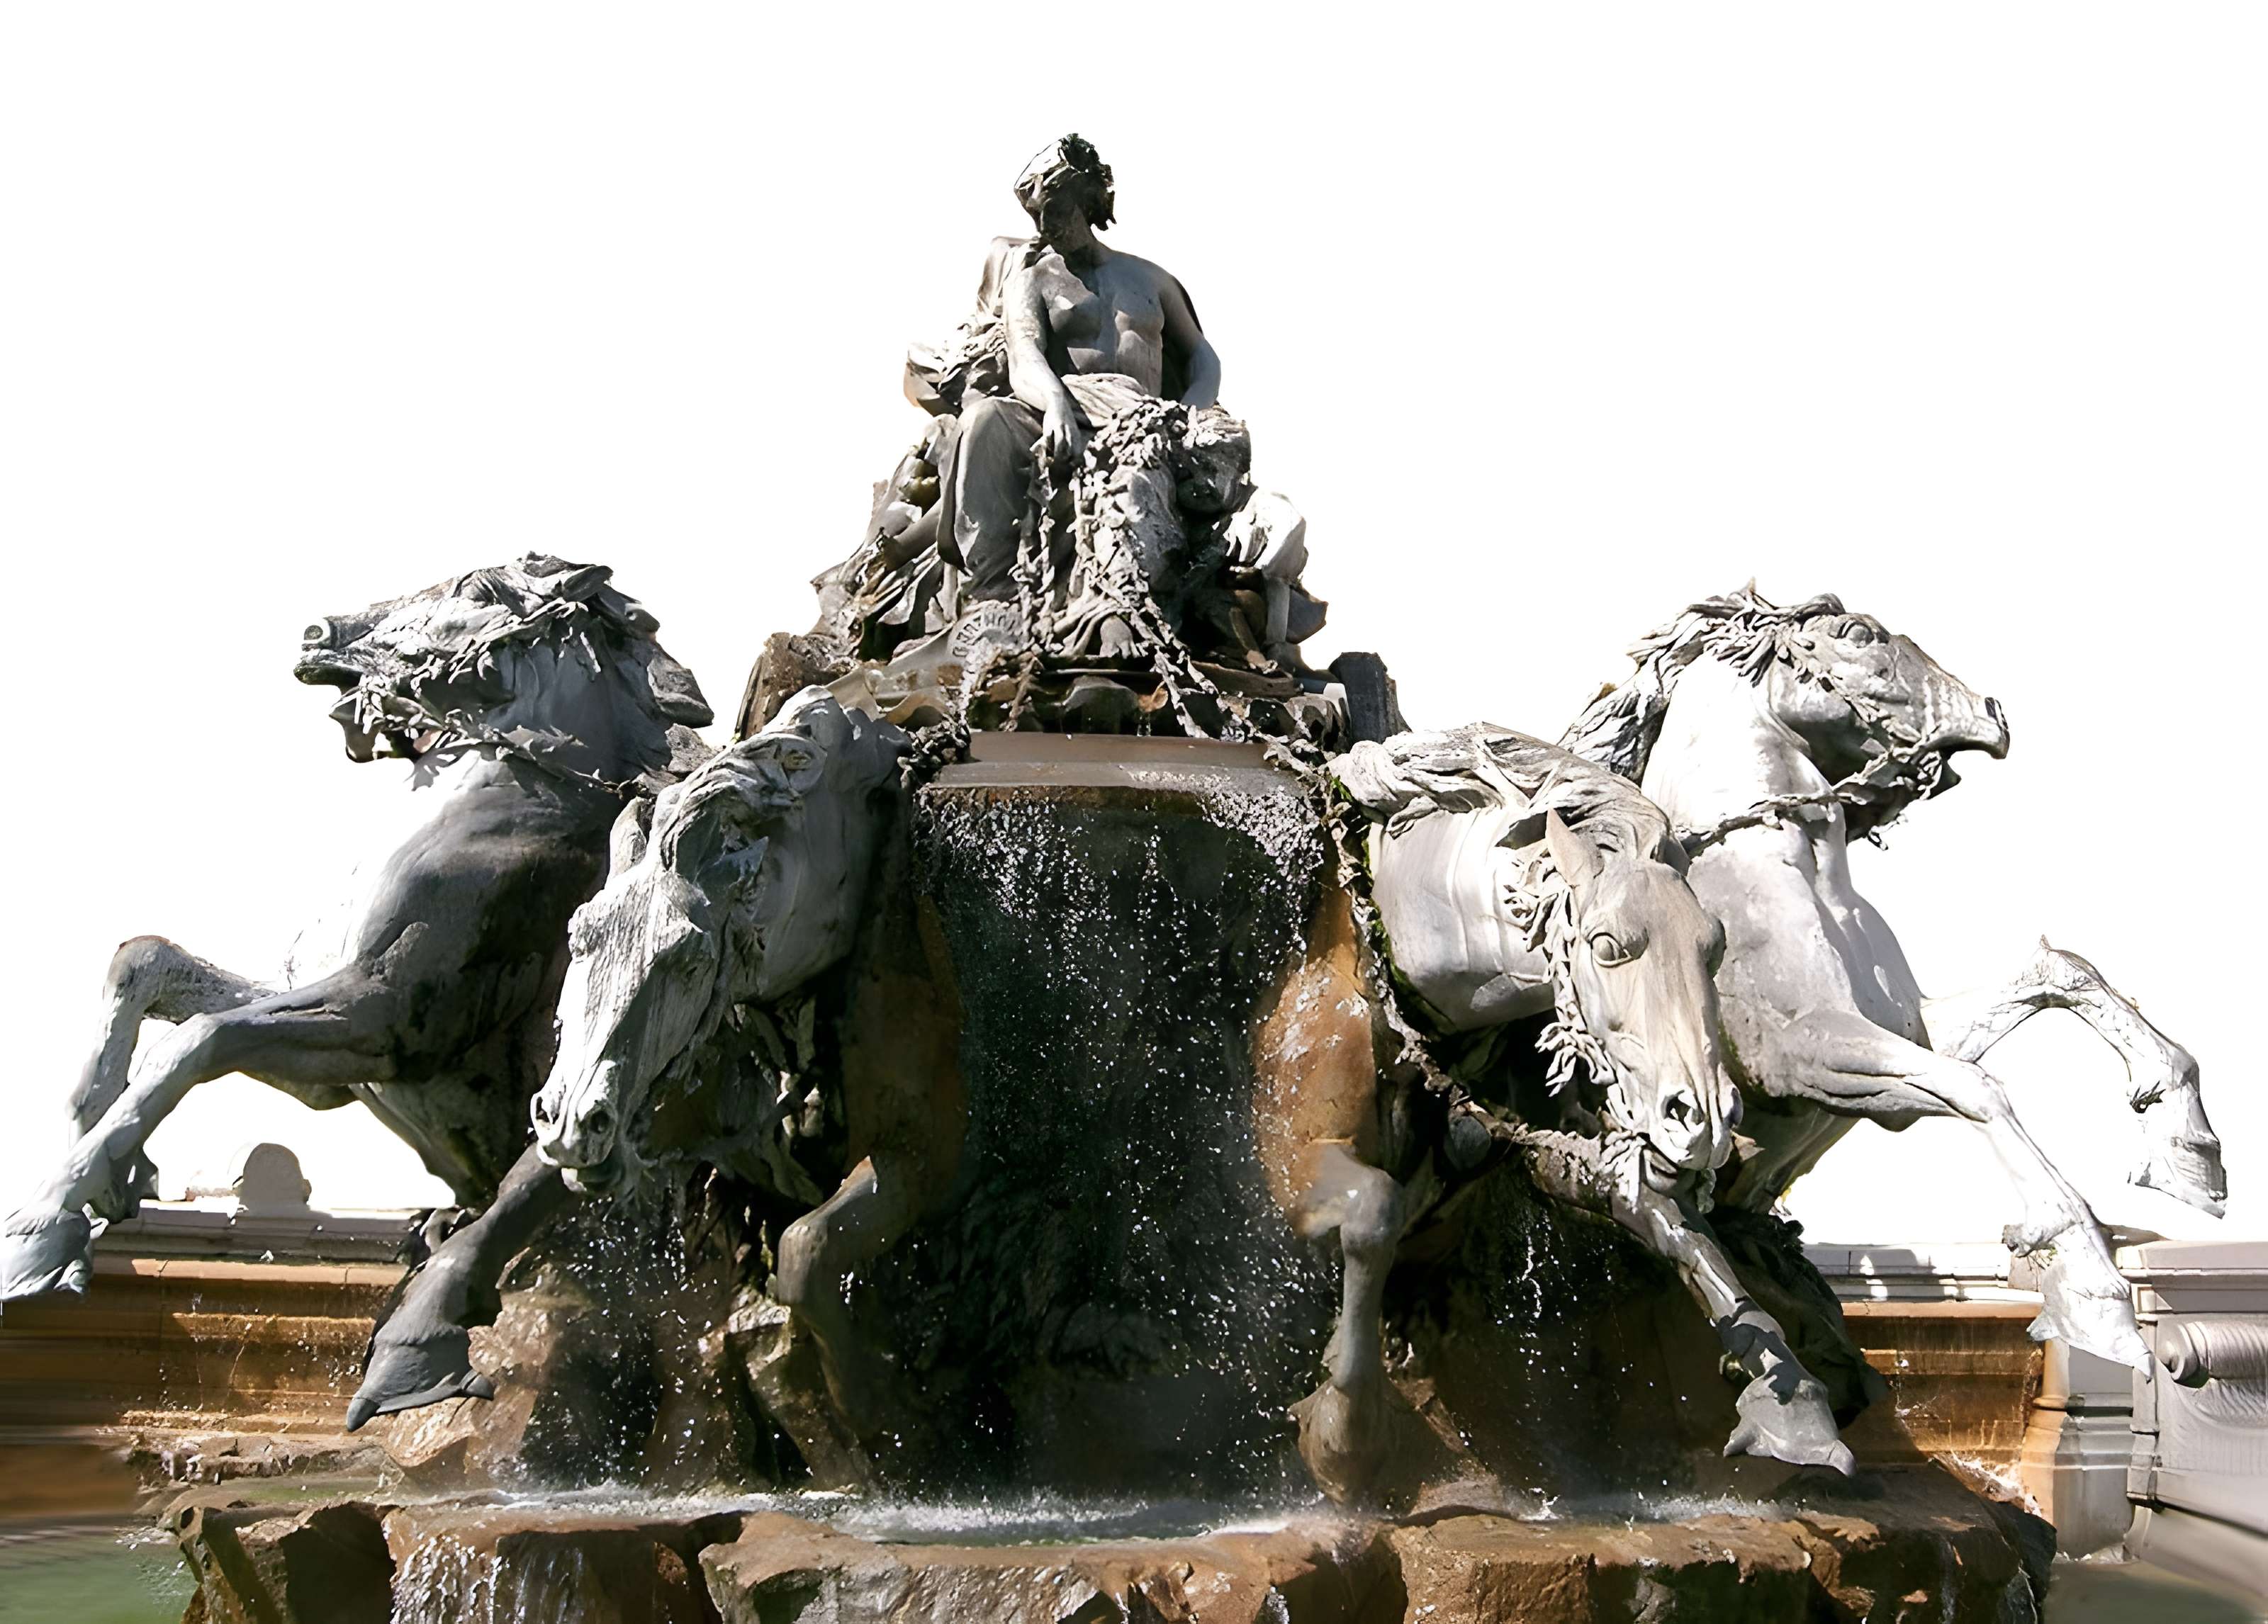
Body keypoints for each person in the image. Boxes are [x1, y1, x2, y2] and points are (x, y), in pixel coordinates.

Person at [941, 135, 1223, 603]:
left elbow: (1201, 355)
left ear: (1088, 201)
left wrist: (1189, 414)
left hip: (1141, 417)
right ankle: (991, 588)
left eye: (1056, 210)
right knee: (983, 420)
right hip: (1064, 412)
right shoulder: (1032, 280)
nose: (1046, 226)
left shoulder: (1151, 279)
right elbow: (1024, 354)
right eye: (1037, 216)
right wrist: (1054, 403)